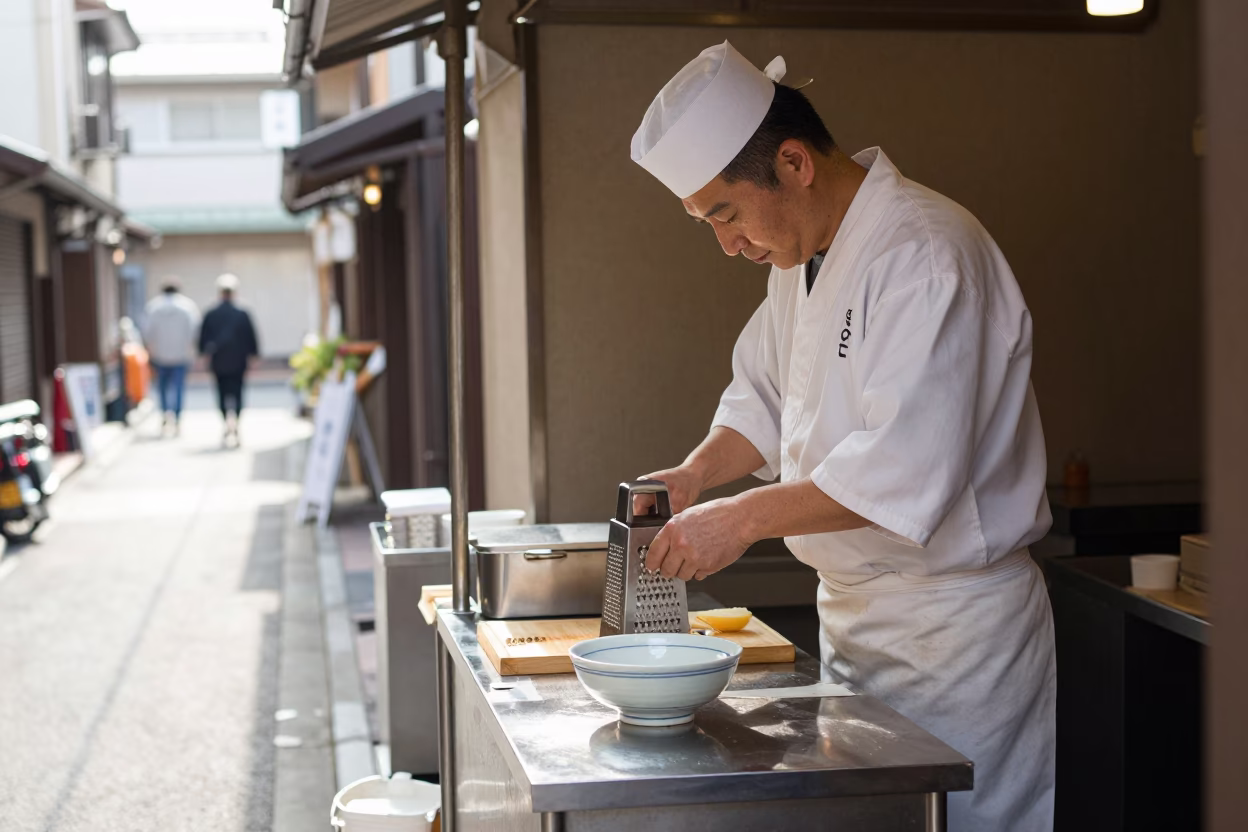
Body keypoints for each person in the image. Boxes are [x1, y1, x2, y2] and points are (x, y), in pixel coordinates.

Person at [630, 42, 1055, 831]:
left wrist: (740, 521)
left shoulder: (924, 254)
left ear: (793, 163)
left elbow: (902, 470)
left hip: (956, 642)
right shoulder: (798, 261)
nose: (727, 244)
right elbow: (763, 399)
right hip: (856, 627)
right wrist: (694, 477)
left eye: (725, 214)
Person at [198, 273, 259, 446]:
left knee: (221, 392)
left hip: (219, 360)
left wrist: (203, 354)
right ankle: (236, 423)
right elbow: (251, 337)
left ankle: (227, 422)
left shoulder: (211, 313)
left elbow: (203, 338)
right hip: (239, 360)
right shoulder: (242, 313)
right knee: (238, 391)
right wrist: (253, 356)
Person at [142, 280, 200, 436]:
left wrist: (151, 349)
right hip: (181, 355)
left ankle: (164, 414)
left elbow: (147, 333)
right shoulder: (187, 307)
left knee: (162, 388)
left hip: (160, 355)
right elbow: (194, 332)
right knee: (179, 387)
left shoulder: (153, 307)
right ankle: (178, 417)